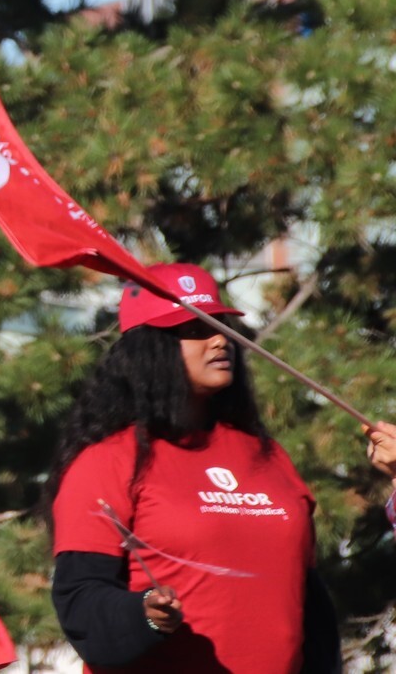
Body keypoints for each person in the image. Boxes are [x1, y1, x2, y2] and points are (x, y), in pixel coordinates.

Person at [47, 263, 338, 673]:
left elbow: (308, 599)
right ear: (149, 348)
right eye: (194, 330)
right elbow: (80, 598)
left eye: (219, 325)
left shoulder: (267, 456)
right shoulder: (107, 461)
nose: (220, 340)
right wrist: (144, 614)